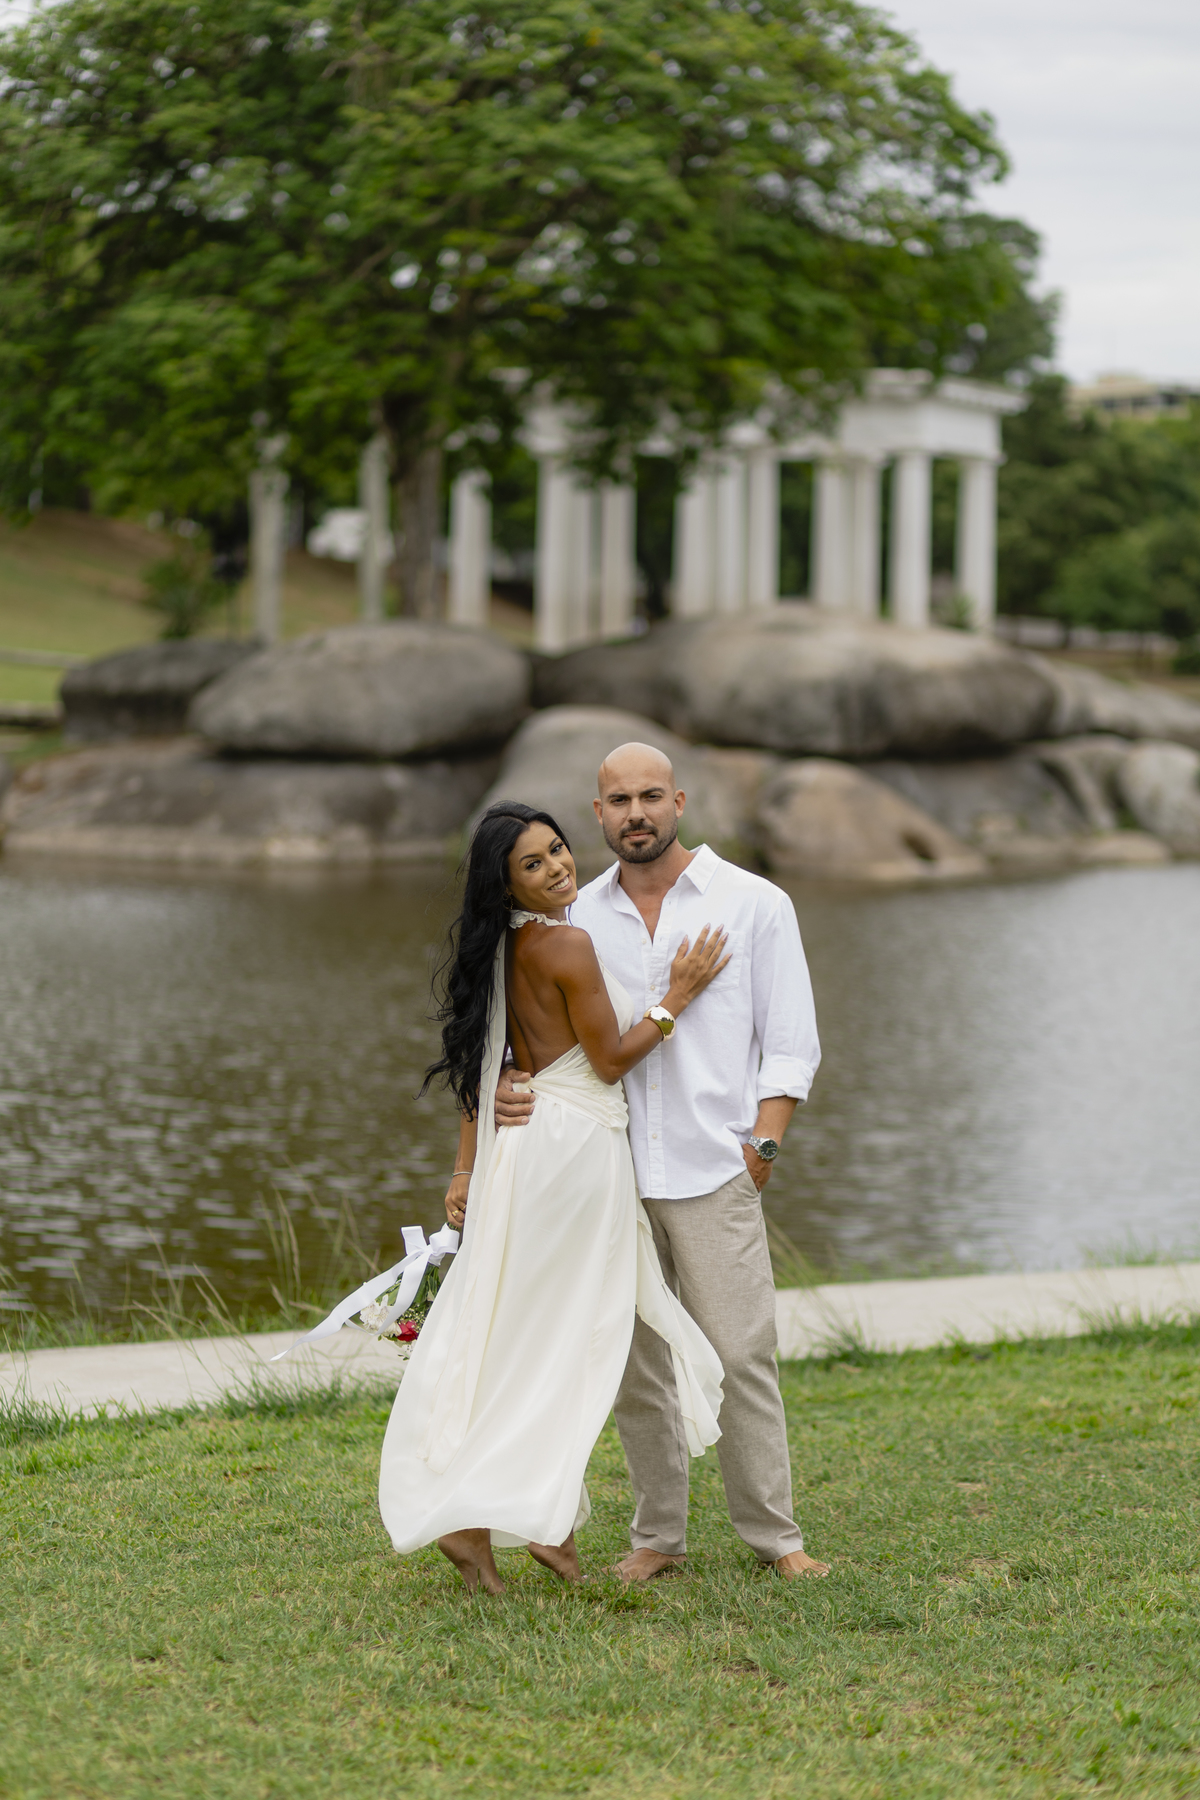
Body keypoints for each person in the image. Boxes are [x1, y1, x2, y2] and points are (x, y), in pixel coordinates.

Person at [377, 802, 730, 1595]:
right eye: (532, 864)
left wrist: (465, 1168)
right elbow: (609, 1060)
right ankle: (542, 1521)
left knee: (526, 1333)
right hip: (575, 1151)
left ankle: (499, 1521)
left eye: (558, 850)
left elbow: (484, 1063)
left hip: (526, 1152)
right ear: (506, 883)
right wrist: (677, 997)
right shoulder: (567, 943)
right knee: (572, 1339)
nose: (558, 868)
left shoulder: (502, 948)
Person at [495, 745, 828, 1582]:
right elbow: (541, 1032)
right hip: (607, 1172)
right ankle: (658, 1539)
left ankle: (776, 1539)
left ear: (678, 801)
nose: (635, 813)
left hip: (716, 1168)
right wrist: (508, 1082)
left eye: (650, 796)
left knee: (741, 1354)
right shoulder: (573, 915)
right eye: (619, 800)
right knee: (634, 1367)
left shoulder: (755, 903)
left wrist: (763, 1145)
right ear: (598, 813)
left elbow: (791, 1044)